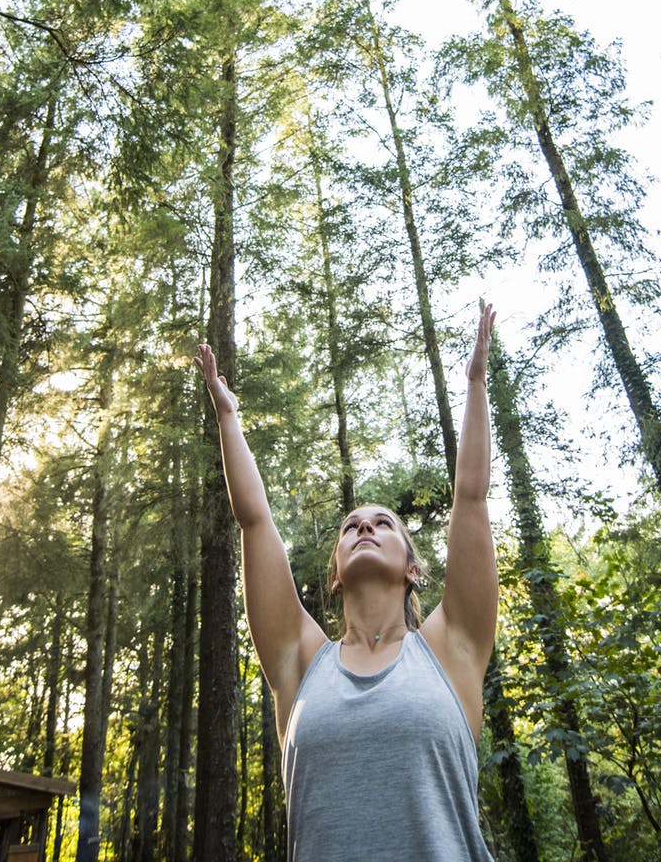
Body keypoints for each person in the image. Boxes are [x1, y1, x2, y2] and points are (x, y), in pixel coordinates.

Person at [195, 302, 499, 862]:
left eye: (384, 523)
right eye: (351, 526)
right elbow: (255, 521)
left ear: (412, 567)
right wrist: (227, 417)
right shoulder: (302, 662)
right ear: (334, 576)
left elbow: (471, 497)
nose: (364, 525)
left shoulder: (450, 647)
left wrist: (476, 385)